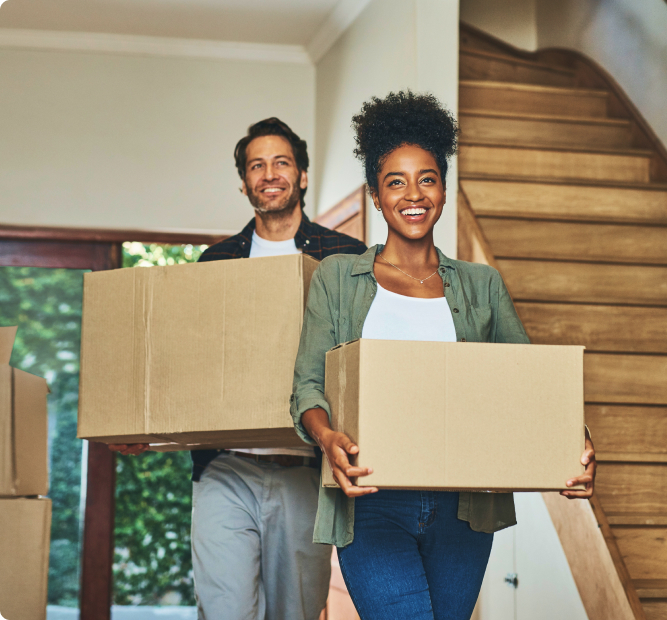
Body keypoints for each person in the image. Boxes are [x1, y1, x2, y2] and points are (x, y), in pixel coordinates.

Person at [290, 92, 597, 620]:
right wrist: (326, 436)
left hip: (466, 506)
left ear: (444, 188)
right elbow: (307, 387)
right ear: (374, 195)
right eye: (396, 181)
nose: (414, 194)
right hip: (371, 500)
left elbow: (529, 385)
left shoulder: (482, 285)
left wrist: (574, 440)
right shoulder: (338, 280)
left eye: (427, 178)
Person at [110, 117, 367, 620]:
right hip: (225, 469)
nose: (269, 174)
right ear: (244, 181)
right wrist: (144, 426)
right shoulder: (216, 261)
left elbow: (361, 361)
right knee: (223, 611)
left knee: (295, 612)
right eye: (257, 165)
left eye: (281, 163)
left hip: (304, 470)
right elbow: (188, 364)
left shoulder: (345, 258)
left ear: (303, 176)